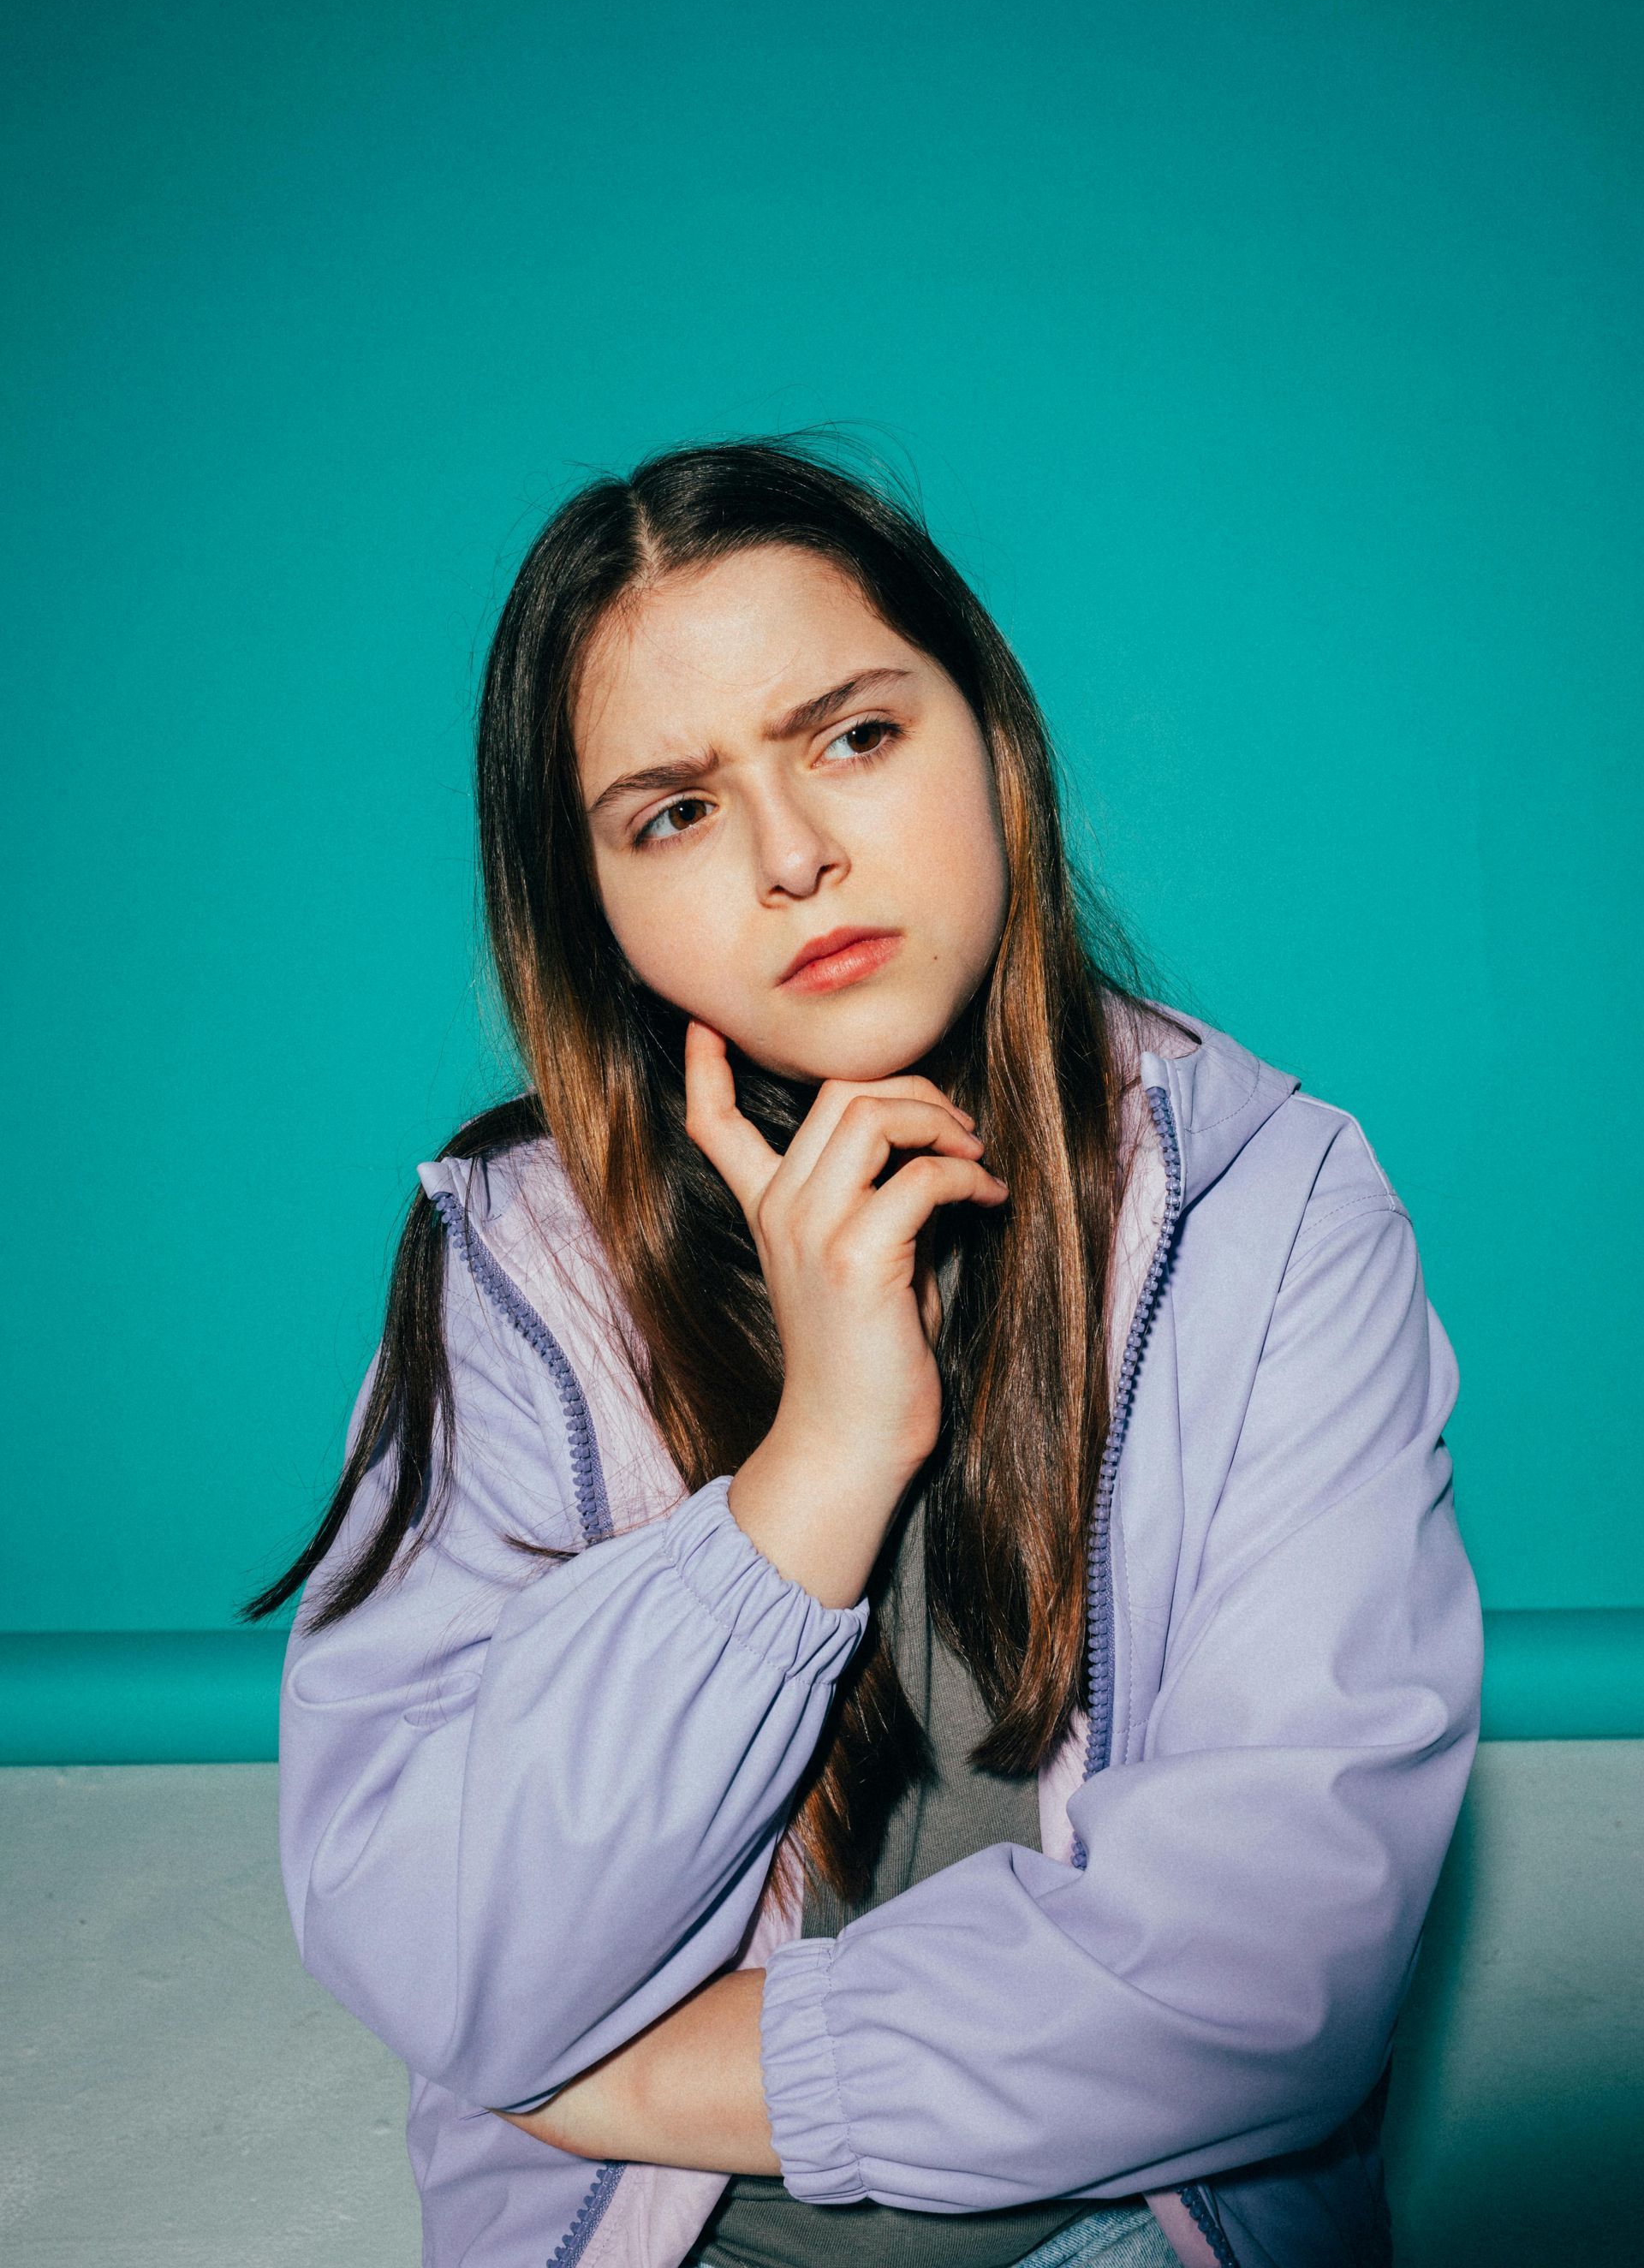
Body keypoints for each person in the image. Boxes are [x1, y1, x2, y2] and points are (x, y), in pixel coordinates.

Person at [252, 438, 1482, 2268]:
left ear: (991, 732)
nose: (794, 856)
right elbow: (439, 1937)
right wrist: (813, 1470)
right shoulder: (515, 1267)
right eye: (672, 810)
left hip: (1142, 2231)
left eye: (851, 735)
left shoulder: (1273, 1209)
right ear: (590, 902)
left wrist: (687, 2081)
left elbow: (1274, 1968)